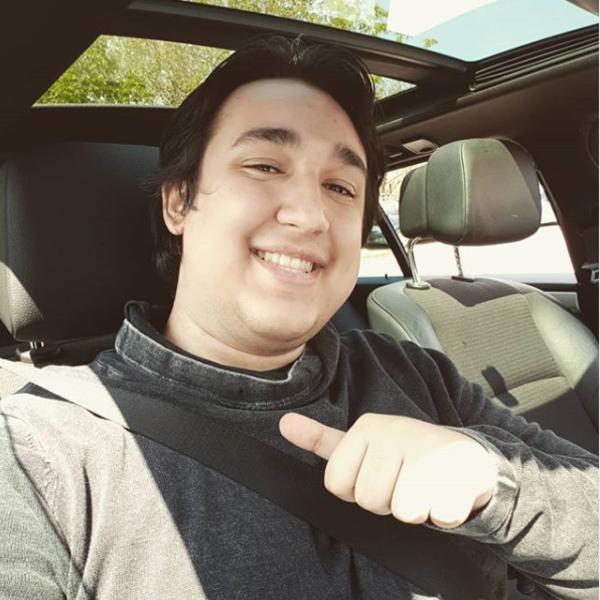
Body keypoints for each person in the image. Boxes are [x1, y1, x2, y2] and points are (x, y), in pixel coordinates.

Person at [0, 35, 597, 600]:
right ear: (179, 201)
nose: (310, 216)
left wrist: (494, 486)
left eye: (340, 187)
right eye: (264, 166)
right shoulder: (41, 448)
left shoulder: (414, 375)